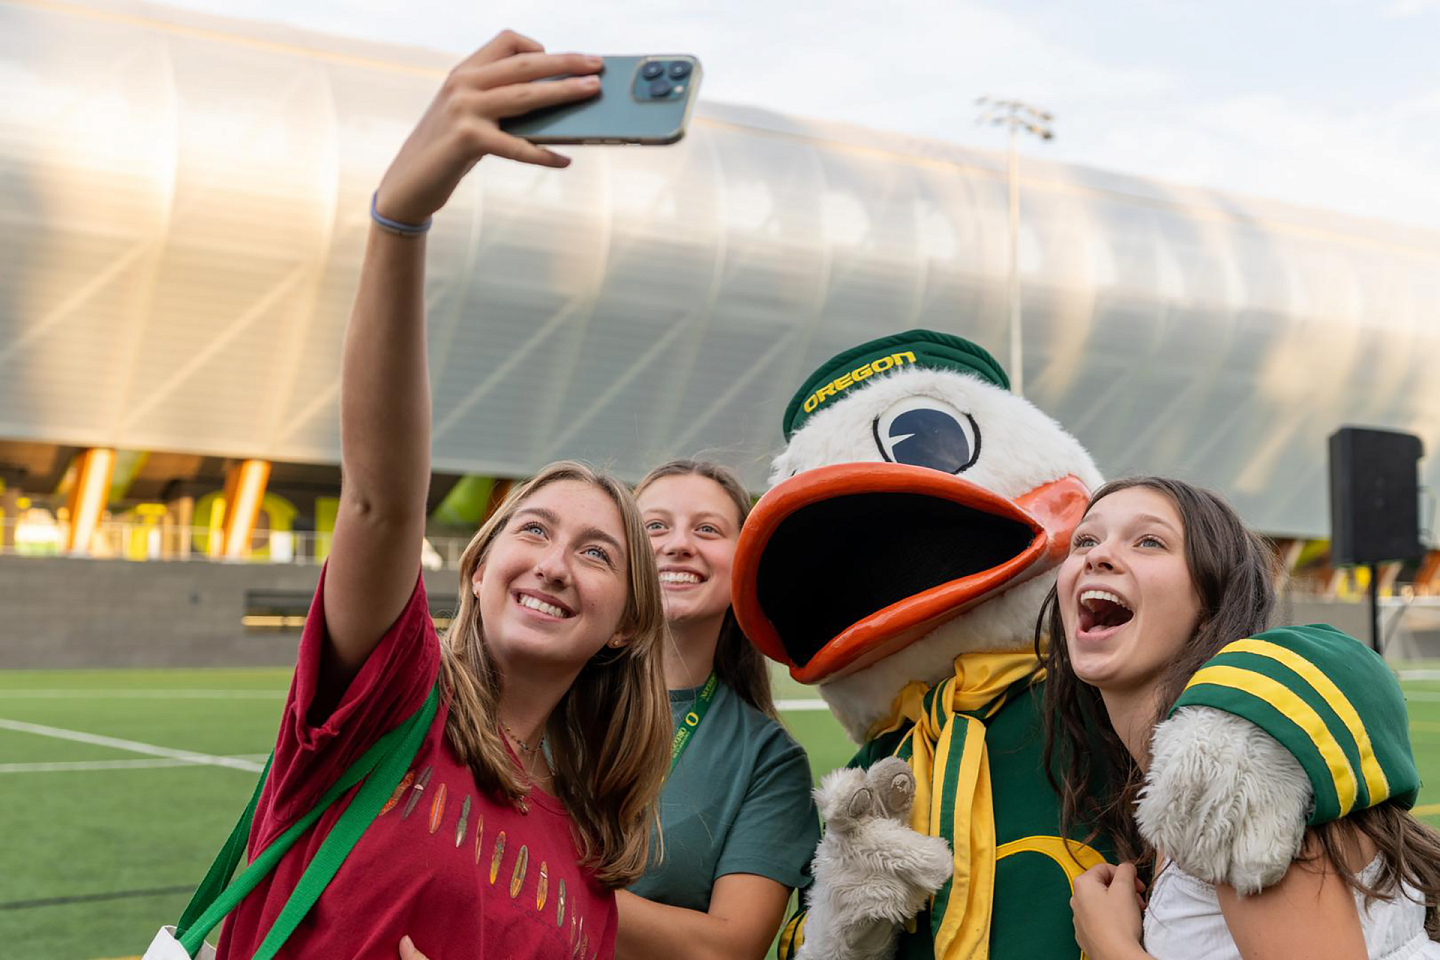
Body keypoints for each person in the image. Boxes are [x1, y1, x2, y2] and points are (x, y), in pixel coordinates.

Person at [214, 32, 672, 960]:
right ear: (481, 563)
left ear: (626, 621)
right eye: (532, 529)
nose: (552, 561)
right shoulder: (388, 703)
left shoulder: (587, 870)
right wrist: (401, 219)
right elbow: (381, 498)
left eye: (597, 552)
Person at [1038, 476, 1440, 960]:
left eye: (1149, 541)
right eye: (1086, 539)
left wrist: (1112, 947)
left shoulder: (1230, 767)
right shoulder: (1174, 777)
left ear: (1212, 605)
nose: (1097, 556)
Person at [614, 460, 821, 960]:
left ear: (743, 564)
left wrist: (541, 878)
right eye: (654, 527)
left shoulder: (769, 759)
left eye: (707, 529)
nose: (678, 544)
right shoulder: (545, 688)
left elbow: (729, 948)